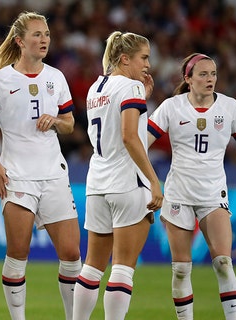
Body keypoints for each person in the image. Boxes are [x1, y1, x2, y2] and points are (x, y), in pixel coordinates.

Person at [147, 53, 236, 320]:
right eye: (203, 74)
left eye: (214, 74)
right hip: (178, 194)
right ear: (188, 79)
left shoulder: (229, 107)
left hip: (213, 193)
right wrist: (149, 183)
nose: (211, 79)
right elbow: (140, 145)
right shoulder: (171, 107)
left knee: (223, 262)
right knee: (181, 268)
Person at [0, 11, 82, 320]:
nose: (44, 39)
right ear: (20, 41)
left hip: (54, 174)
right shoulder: (0, 80)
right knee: (19, 253)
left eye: (46, 34)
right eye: (37, 34)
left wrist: (56, 120)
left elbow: (70, 123)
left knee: (72, 254)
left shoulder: (56, 77)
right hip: (16, 175)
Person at [72, 31, 163, 320]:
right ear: (125, 59)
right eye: (144, 58)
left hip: (97, 181)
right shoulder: (131, 88)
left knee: (92, 267)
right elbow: (128, 137)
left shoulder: (96, 88)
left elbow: (115, 128)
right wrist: (153, 179)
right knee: (123, 268)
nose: (148, 64)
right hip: (127, 183)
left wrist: (142, 101)